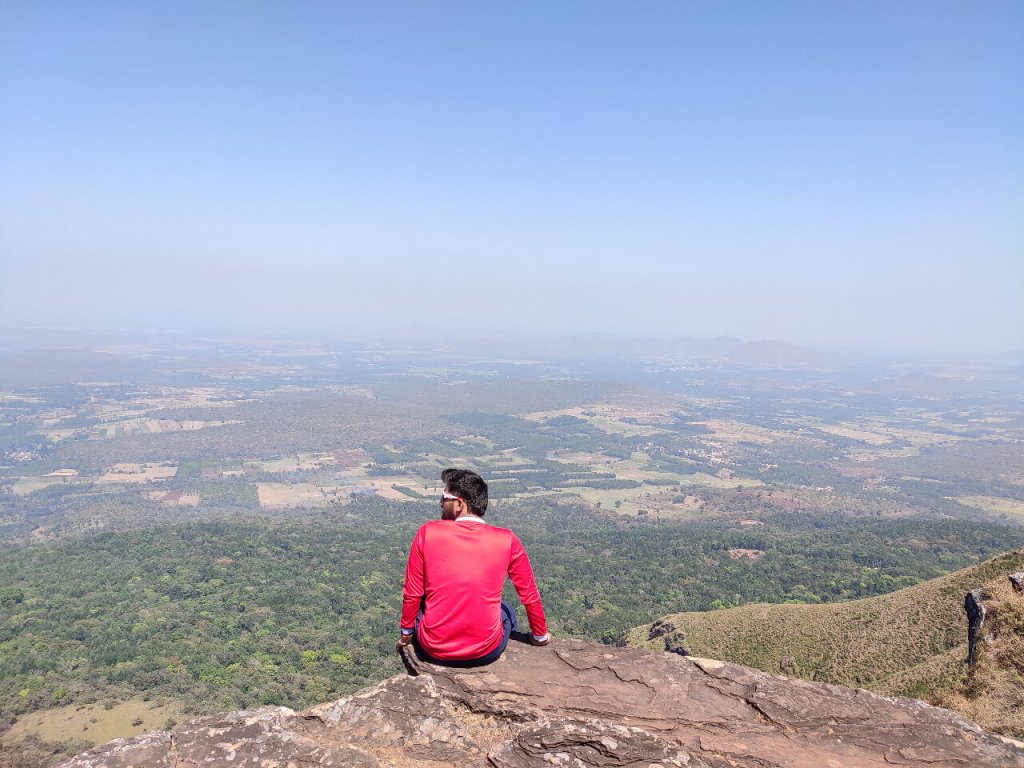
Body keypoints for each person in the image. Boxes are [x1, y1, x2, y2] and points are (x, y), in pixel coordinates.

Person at [397, 468, 549, 664]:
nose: (441, 504)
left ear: (459, 504)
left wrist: (406, 636)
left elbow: (413, 593)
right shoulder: (506, 539)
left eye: (444, 498)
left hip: (433, 649)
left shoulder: (427, 533)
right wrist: (540, 636)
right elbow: (528, 593)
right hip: (486, 652)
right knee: (508, 611)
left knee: (424, 603)